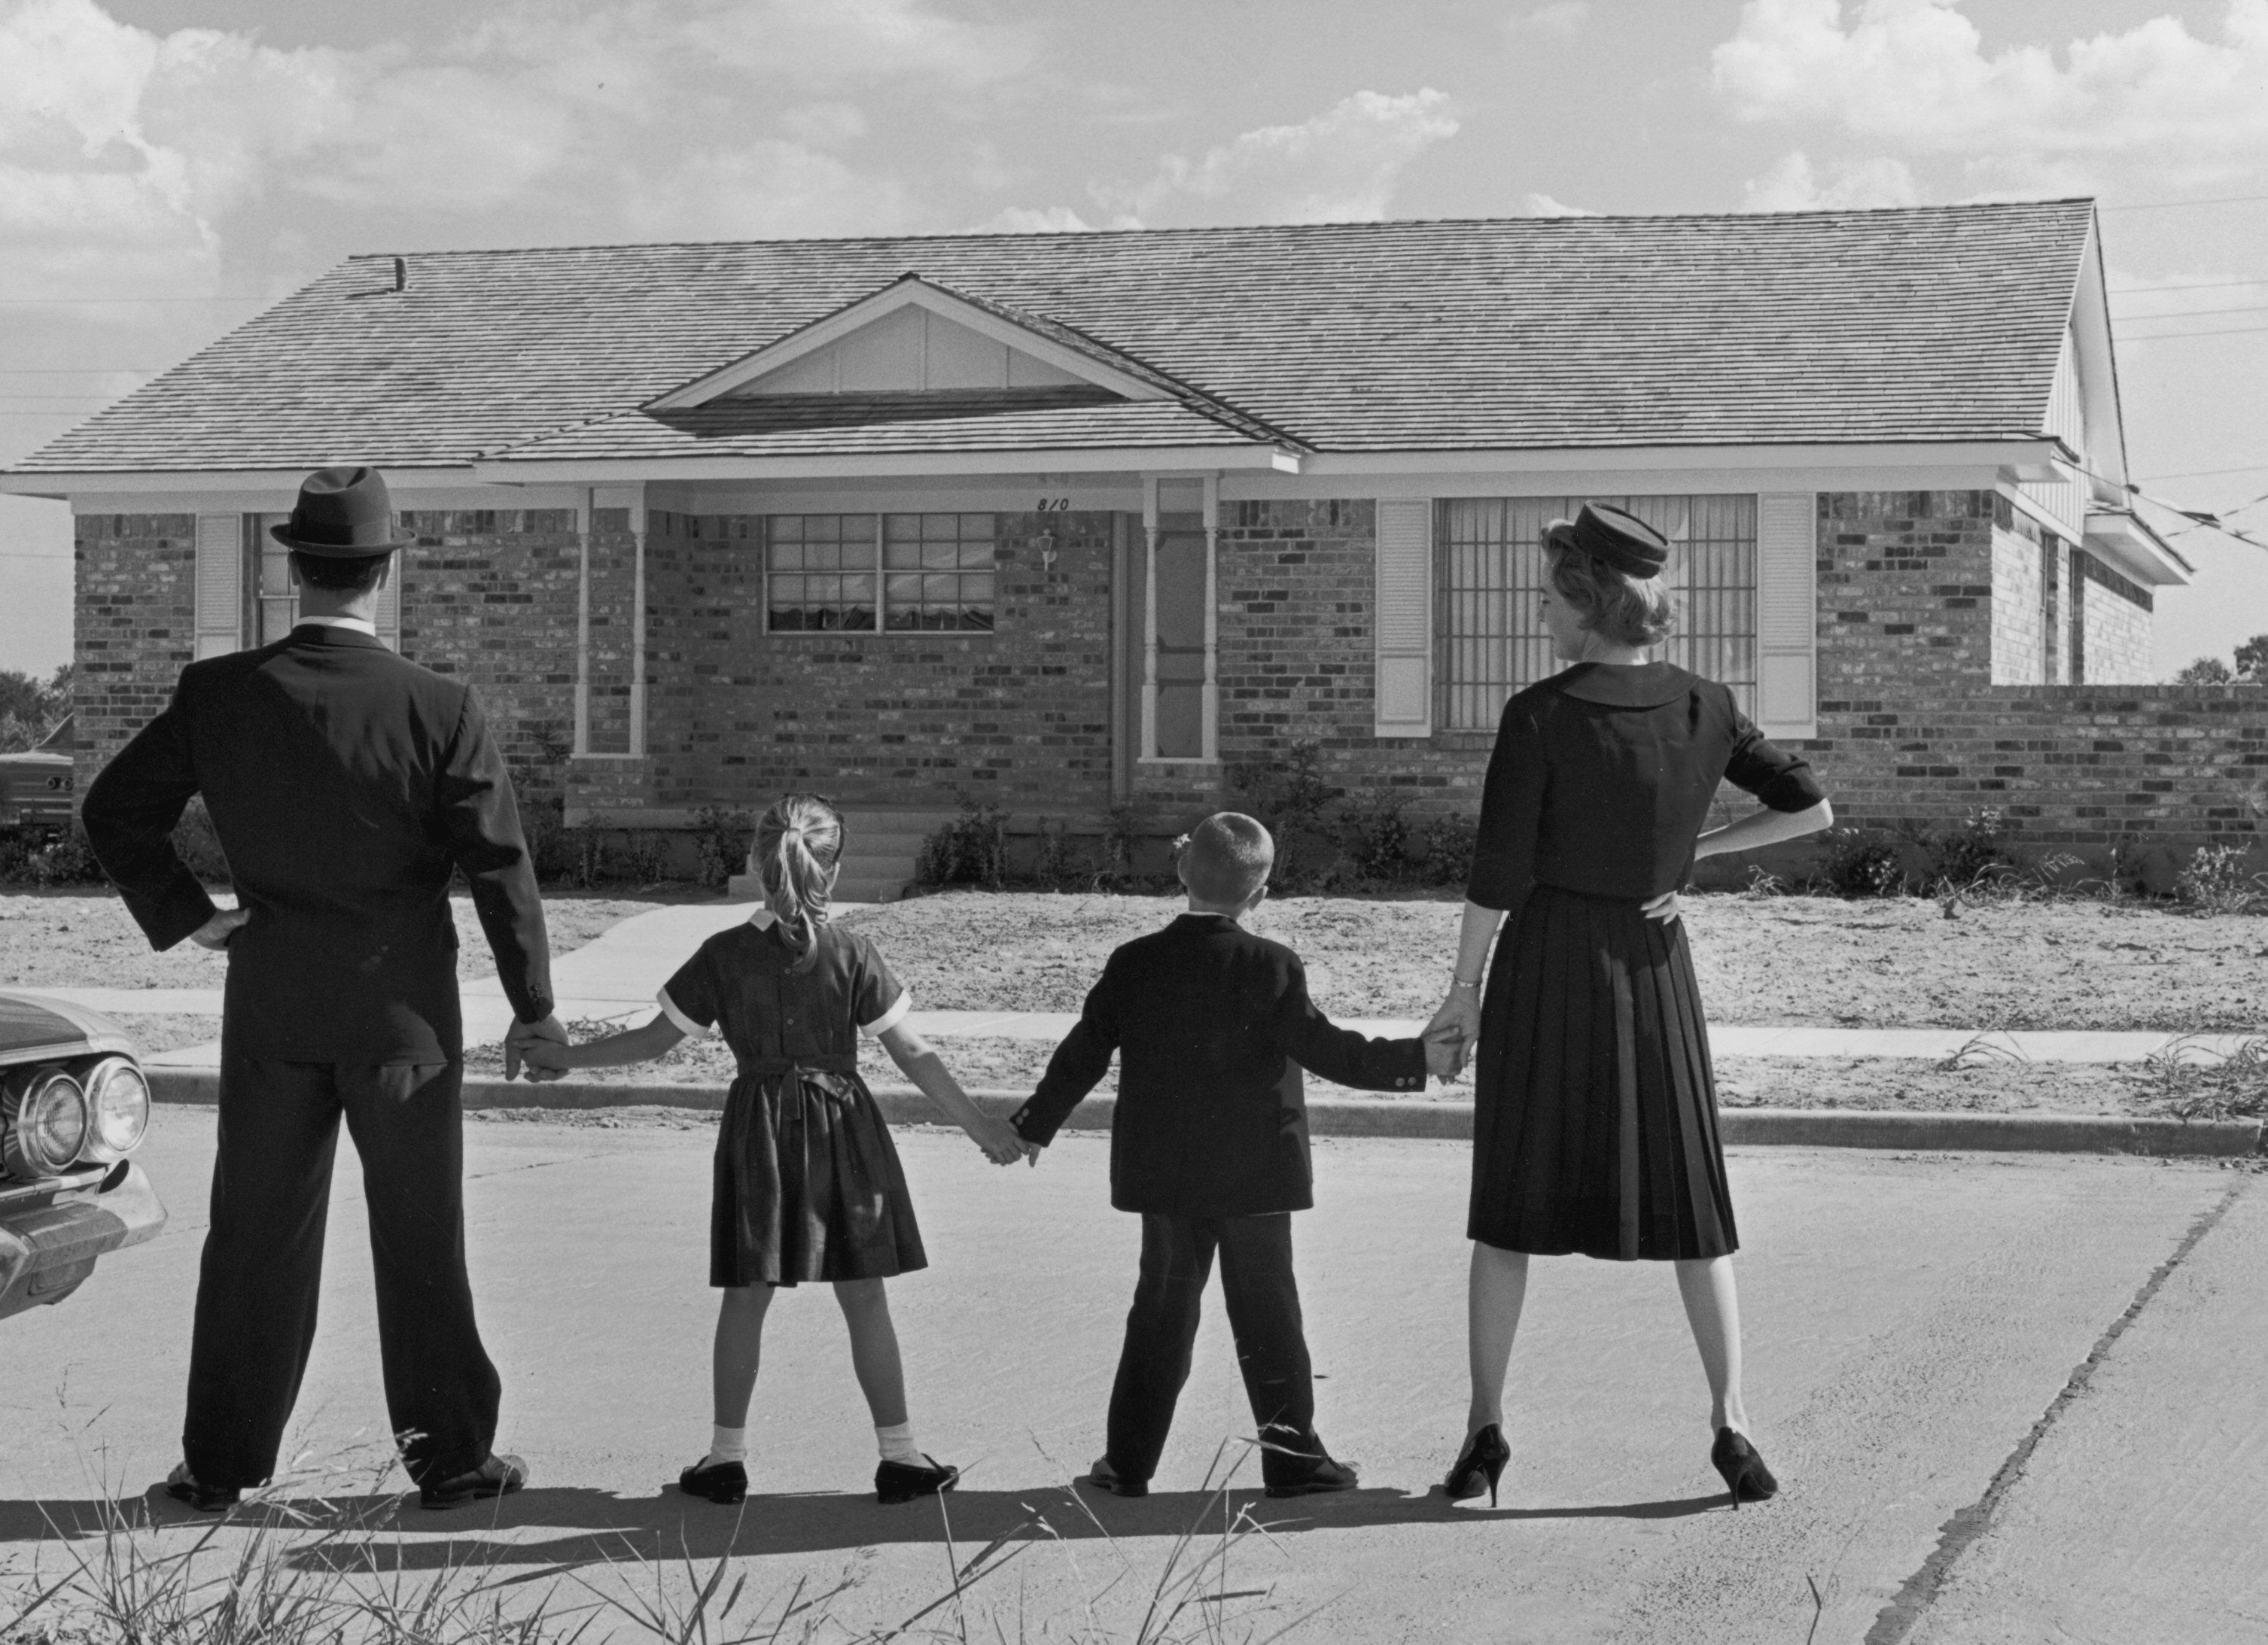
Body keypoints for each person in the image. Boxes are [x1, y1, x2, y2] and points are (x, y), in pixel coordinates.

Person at [83, 465, 562, 1514]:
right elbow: (499, 866)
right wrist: (534, 1006)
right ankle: (451, 1462)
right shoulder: (439, 707)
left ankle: (219, 1462)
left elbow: (114, 811)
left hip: (271, 1004)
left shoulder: (218, 696)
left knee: (254, 1234)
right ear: (386, 571)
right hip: (404, 1018)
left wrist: (190, 913)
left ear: (289, 564)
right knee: (419, 1236)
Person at [1424, 503, 1832, 1511]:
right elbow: (1810, 805)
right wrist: (1694, 856)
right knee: (1695, 1211)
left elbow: (1495, 874)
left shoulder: (1539, 714)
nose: (1539, 614)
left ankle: (1484, 1433)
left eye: (1549, 596)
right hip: (1655, 967)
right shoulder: (1706, 705)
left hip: (1547, 964)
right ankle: (1731, 1426)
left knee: (1507, 1213)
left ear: (1586, 600)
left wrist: (1461, 991)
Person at [518, 793, 1022, 1505]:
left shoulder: (723, 954)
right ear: (834, 867)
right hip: (844, 1127)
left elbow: (655, 1042)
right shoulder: (853, 952)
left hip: (758, 1127)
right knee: (864, 1297)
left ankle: (725, 1459)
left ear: (756, 864)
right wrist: (983, 1128)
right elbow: (914, 1053)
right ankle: (900, 1457)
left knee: (746, 1297)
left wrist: (565, 1060)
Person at [1005, 812, 1449, 1500]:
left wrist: (1034, 1124)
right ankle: (1294, 1461)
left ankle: (1126, 1464)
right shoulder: (1270, 964)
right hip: (1256, 1175)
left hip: (1167, 1176)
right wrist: (1418, 1062)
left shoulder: (1134, 963)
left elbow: (1082, 1054)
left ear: (1182, 874)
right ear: (1260, 894)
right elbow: (1331, 1052)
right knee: (1270, 1317)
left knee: (1160, 1316)